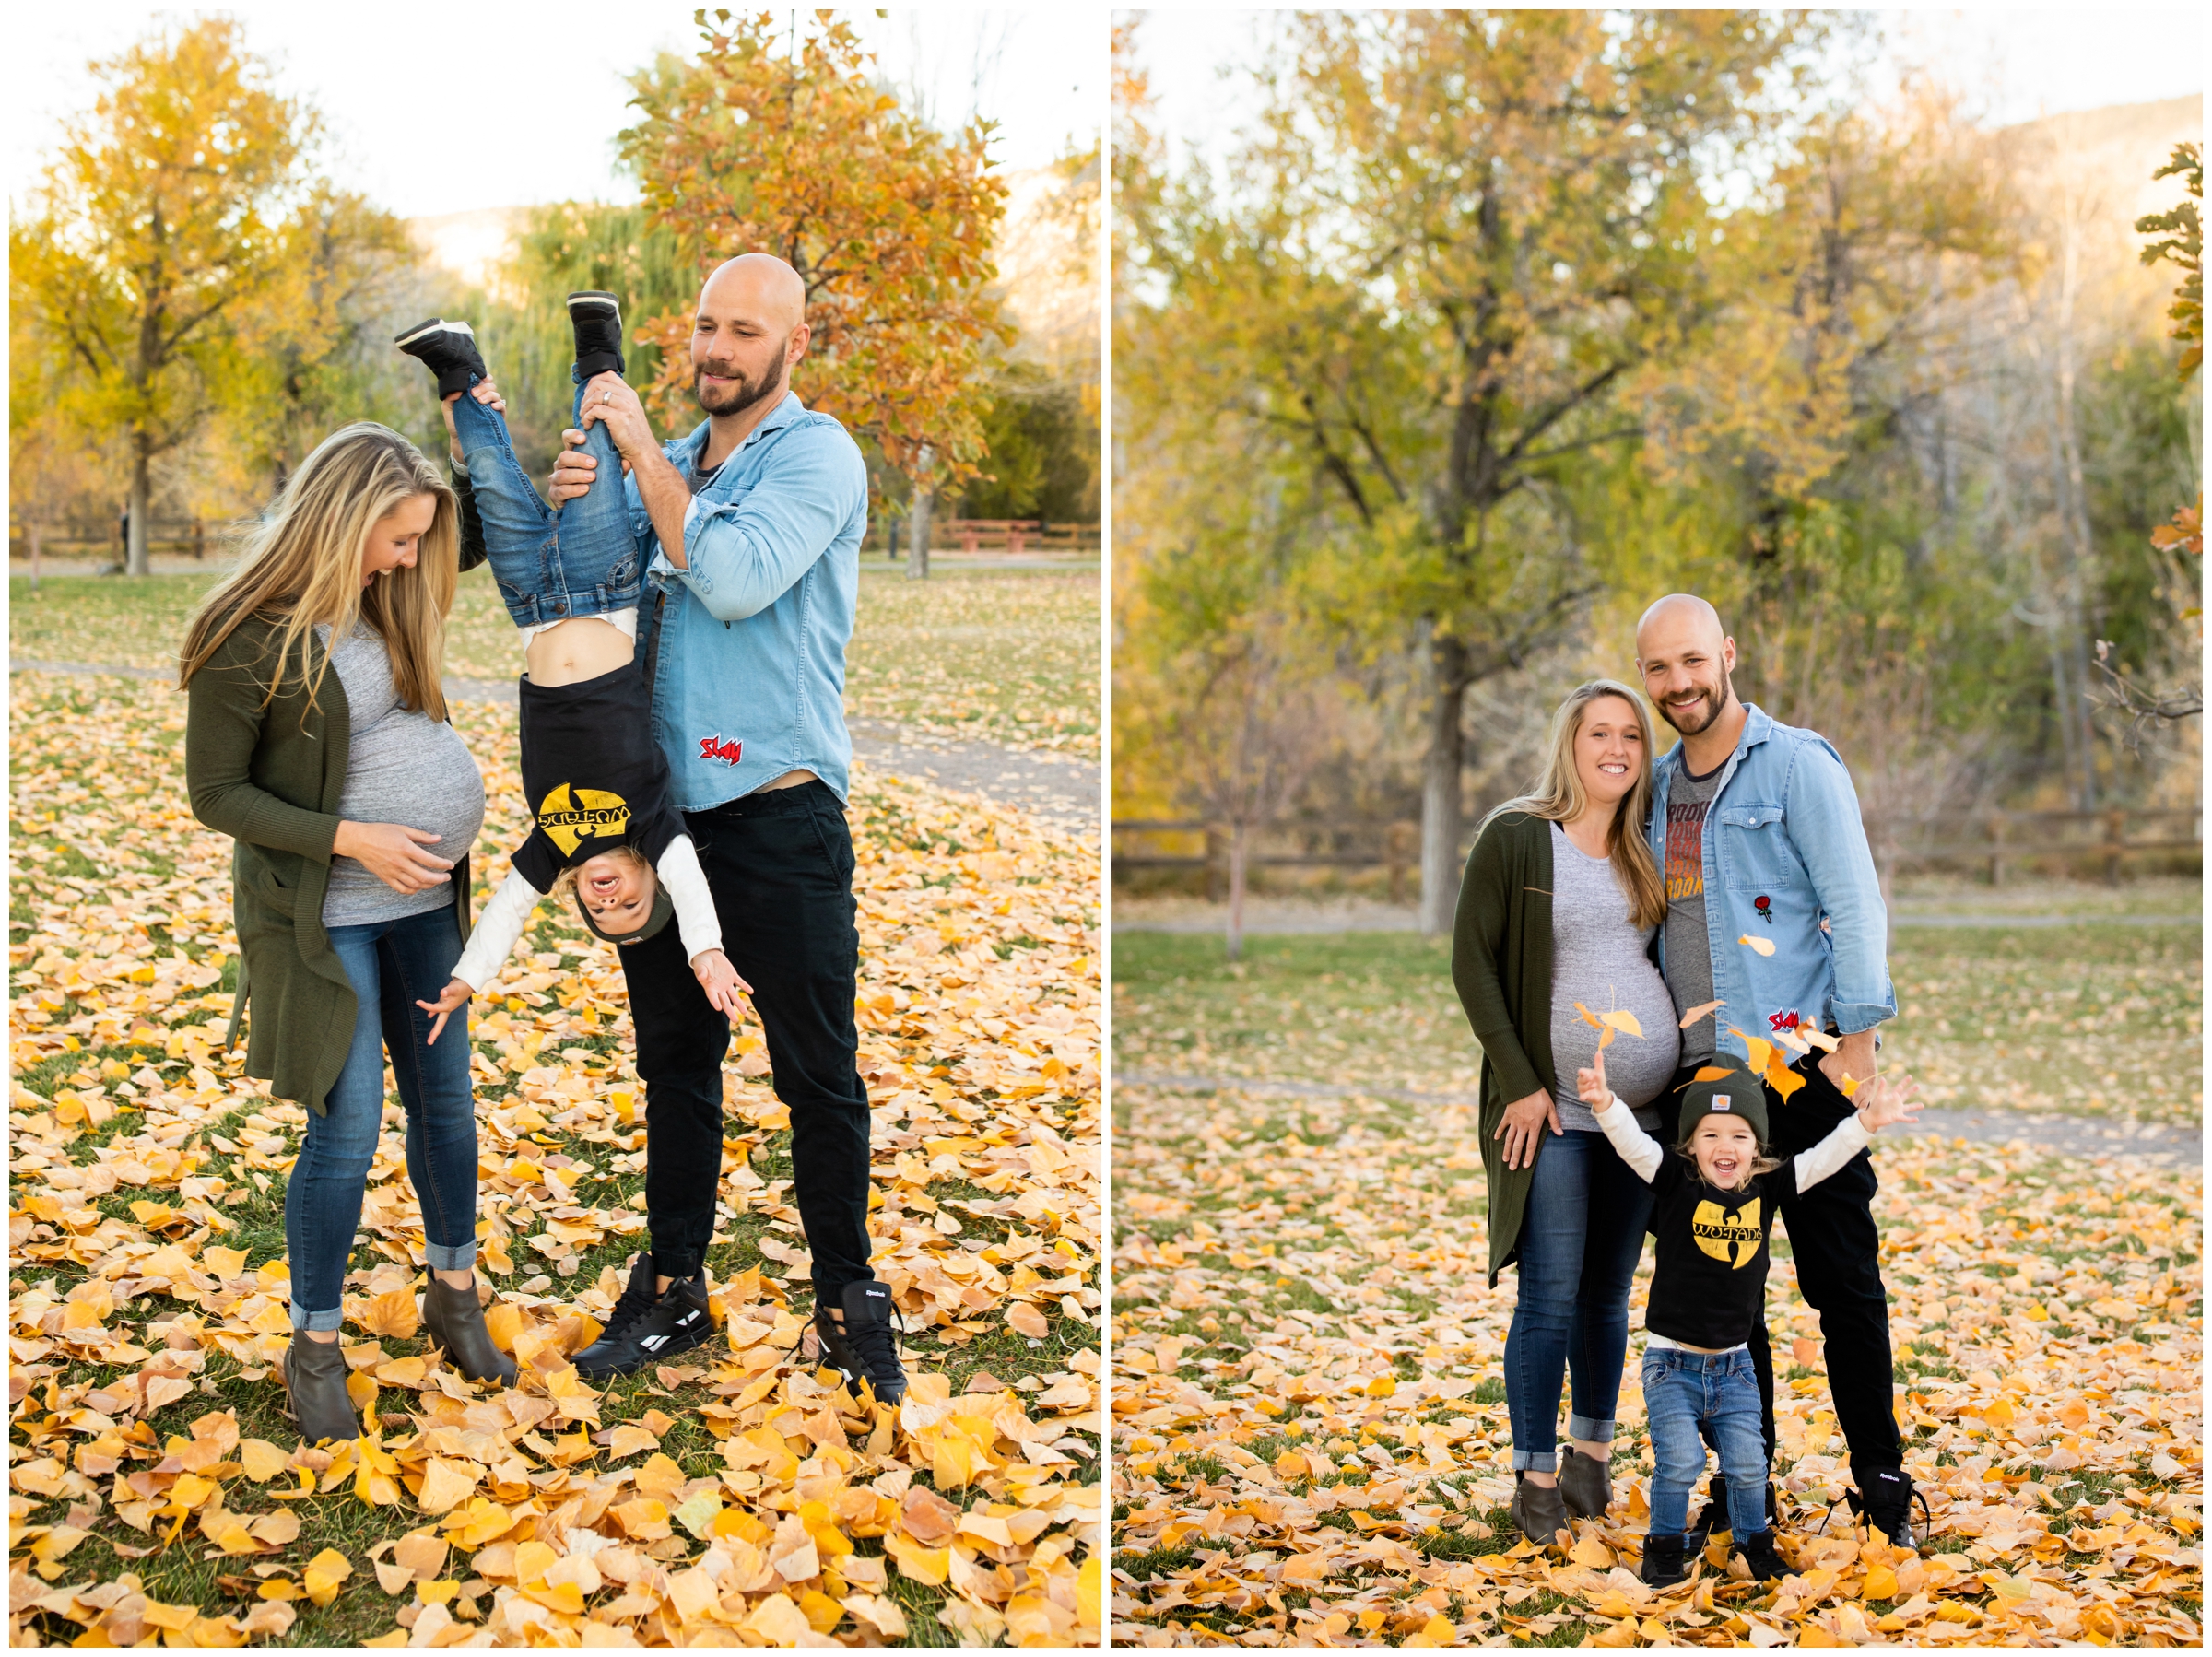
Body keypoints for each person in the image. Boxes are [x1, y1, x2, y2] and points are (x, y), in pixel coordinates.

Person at [536, 253, 906, 1403]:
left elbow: (737, 579)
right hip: (666, 821)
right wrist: (576, 510)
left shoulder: (817, 455)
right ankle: (676, 1292)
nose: (717, 349)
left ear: (792, 347)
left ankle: (848, 1300)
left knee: (817, 1074)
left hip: (781, 817)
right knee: (676, 1066)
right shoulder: (673, 467)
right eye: (705, 325)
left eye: (744, 330)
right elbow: (590, 604)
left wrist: (641, 457)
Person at [183, 423, 515, 1448]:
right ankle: (316, 1343)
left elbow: (470, 535)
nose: (415, 559)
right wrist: (353, 839)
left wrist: (479, 426)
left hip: (425, 910)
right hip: (329, 925)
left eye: (422, 538)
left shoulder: (375, 598)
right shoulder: (249, 635)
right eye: (402, 538)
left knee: (448, 1108)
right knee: (348, 1131)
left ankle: (453, 1292)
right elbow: (215, 794)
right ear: (344, 522)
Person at [1633, 593, 1920, 1547]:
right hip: (1710, 1088)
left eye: (1691, 661)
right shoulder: (1660, 791)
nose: (1678, 683)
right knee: (1725, 1298)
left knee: (1843, 1281)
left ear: (1727, 653)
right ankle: (1740, 1484)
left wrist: (1860, 1041)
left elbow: (1854, 899)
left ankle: (1881, 1481)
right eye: (1659, 670)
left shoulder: (1797, 764)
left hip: (1801, 1067)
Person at [392, 300, 747, 1053]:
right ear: (648, 879)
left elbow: (507, 911)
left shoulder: (552, 847)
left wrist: (469, 978)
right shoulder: (651, 821)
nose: (611, 902)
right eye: (631, 907)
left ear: (580, 898)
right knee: (594, 449)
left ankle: (458, 364)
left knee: (489, 476)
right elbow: (692, 886)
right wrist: (704, 951)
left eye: (601, 915)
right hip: (602, 586)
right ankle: (599, 351)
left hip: (529, 604)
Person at [1451, 680, 1681, 1547]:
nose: (1617, 748)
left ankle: (1591, 1453)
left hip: (1639, 1117)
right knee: (1548, 1295)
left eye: (1632, 734)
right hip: (1549, 1114)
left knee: (1608, 1295)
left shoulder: (1641, 844)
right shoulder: (1519, 834)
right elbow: (1473, 963)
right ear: (1570, 743)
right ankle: (1535, 1479)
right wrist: (1520, 1081)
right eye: (1600, 733)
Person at [1577, 1049, 1921, 1586]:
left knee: (1746, 1464)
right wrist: (1604, 1104)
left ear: (1758, 1144)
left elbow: (1822, 1160)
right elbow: (1634, 1146)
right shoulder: (1676, 1184)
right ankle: (1665, 1548)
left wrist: (1864, 1123)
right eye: (1710, 1135)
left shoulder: (1768, 1188)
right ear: (1691, 1144)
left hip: (1735, 1367)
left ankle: (1754, 1544)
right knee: (1680, 1463)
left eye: (1739, 1135)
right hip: (1674, 1363)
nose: (1725, 1147)